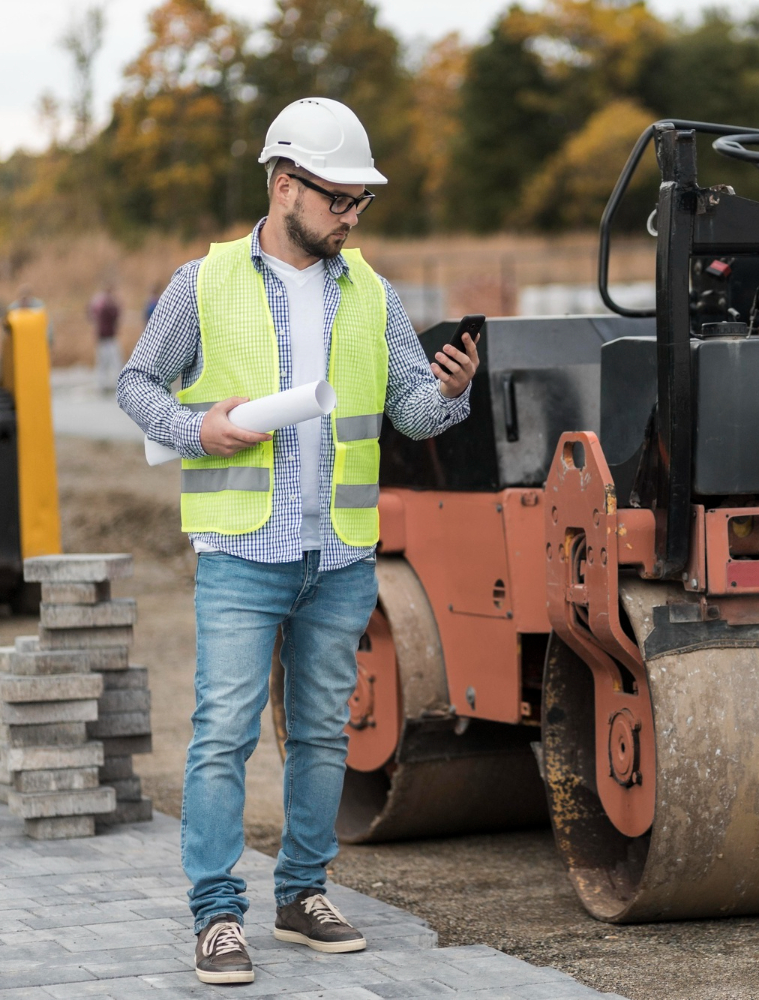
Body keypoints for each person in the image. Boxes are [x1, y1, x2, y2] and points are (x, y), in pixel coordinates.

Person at [117, 97, 480, 985]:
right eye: (340, 200)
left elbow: (411, 413)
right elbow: (136, 385)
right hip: (242, 551)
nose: (353, 218)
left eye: (362, 203)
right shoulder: (201, 284)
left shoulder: (374, 295)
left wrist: (454, 389)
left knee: (323, 734)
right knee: (222, 736)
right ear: (286, 186)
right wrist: (200, 429)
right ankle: (215, 916)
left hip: (340, 556)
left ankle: (302, 893)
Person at [88, 284, 121, 389]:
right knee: (106, 363)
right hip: (105, 338)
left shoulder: (99, 304)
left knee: (112, 362)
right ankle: (103, 384)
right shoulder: (104, 305)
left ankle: (108, 383)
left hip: (108, 338)